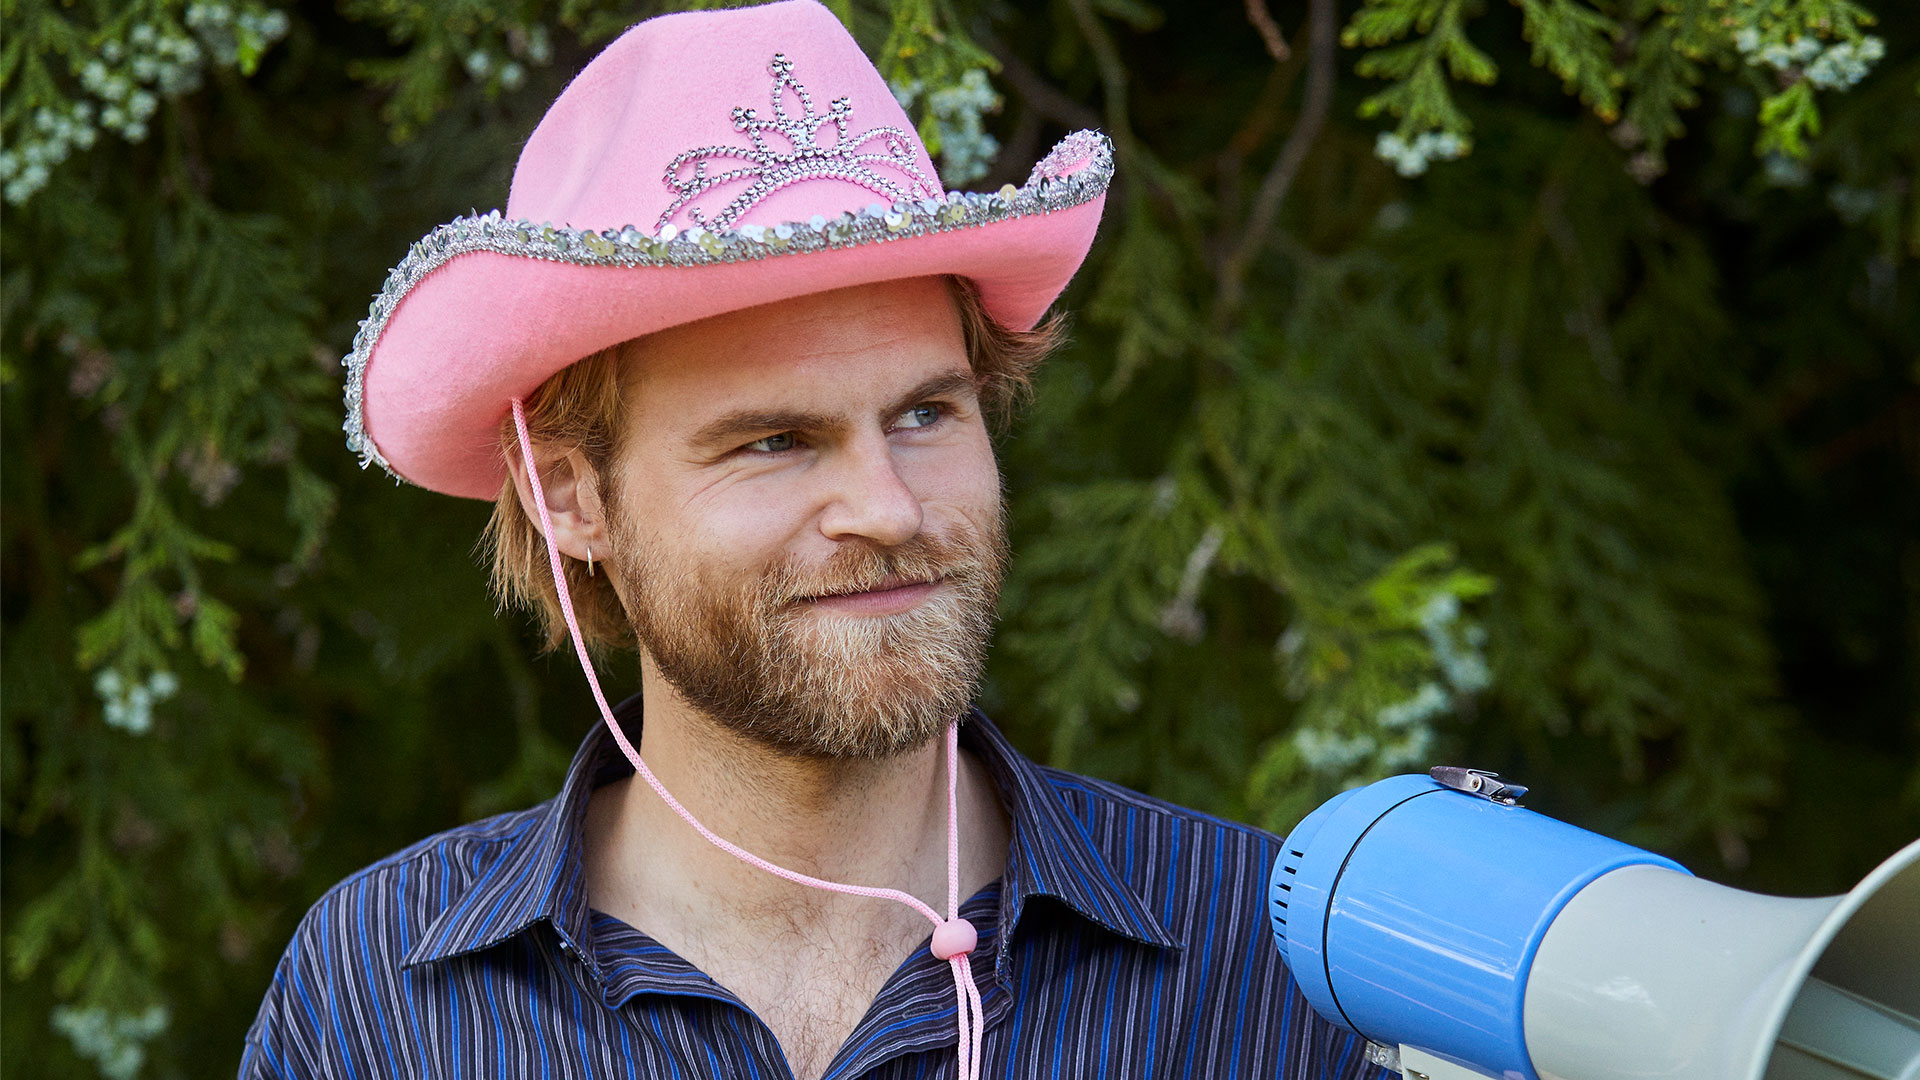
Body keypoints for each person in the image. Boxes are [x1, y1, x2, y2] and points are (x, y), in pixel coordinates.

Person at [242, 2, 1388, 1077]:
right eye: (775, 441)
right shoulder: (383, 1002)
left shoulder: (1273, 964)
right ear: (569, 498)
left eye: (926, 415)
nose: (887, 509)